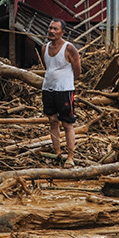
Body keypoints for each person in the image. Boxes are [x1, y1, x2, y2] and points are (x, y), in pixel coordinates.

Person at [41, 18, 82, 167]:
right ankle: (58, 153)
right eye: (50, 28)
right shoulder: (44, 48)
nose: (52, 31)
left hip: (64, 90)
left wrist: (67, 81)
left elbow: (77, 70)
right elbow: (48, 66)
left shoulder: (69, 48)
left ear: (62, 32)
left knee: (67, 123)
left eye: (55, 29)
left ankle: (70, 156)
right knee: (52, 121)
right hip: (48, 88)